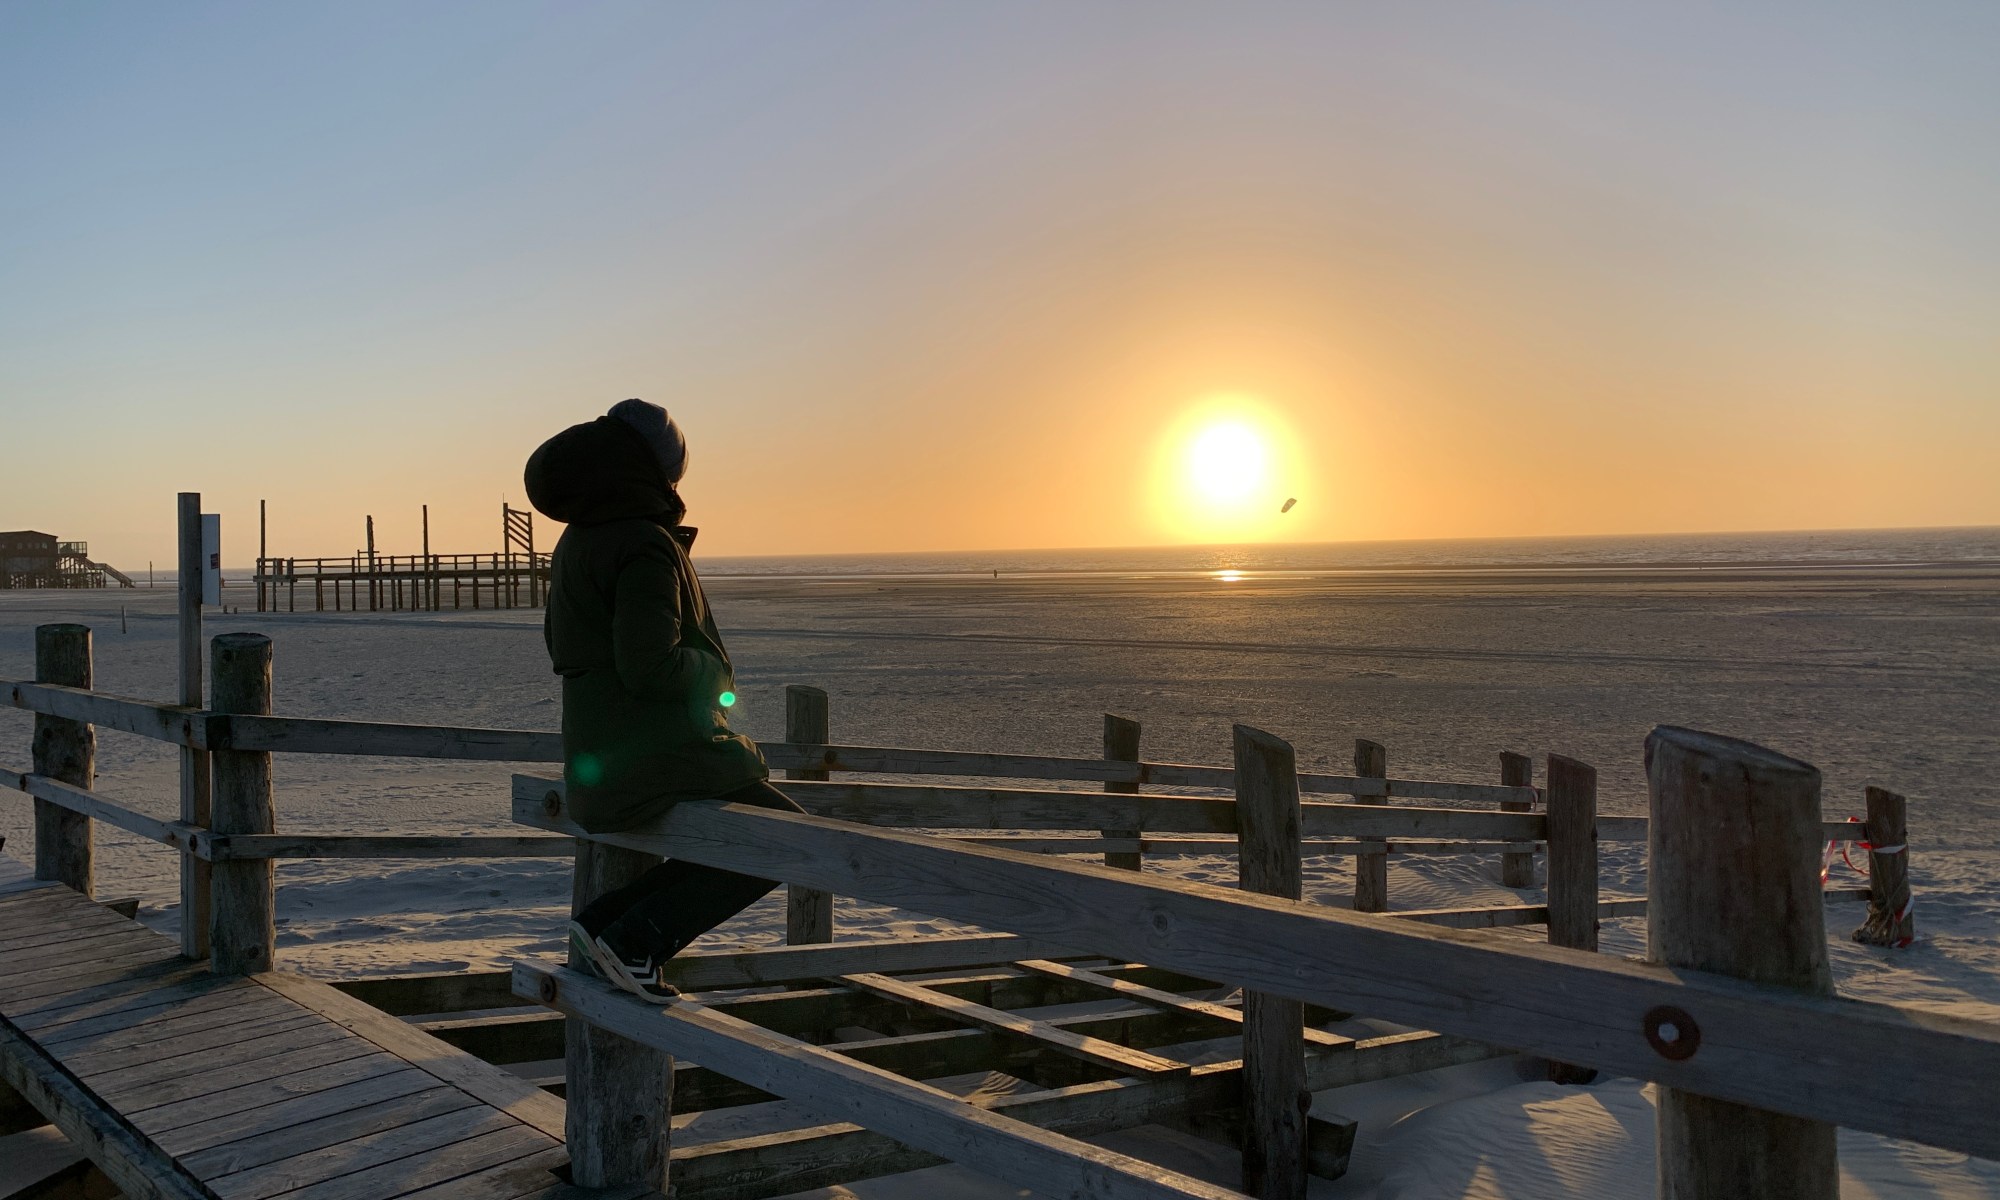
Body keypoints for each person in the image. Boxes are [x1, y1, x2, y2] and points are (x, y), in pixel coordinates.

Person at [524, 399, 805, 1002]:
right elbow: (650, 666)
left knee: (749, 839)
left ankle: (601, 928)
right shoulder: (645, 543)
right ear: (654, 468)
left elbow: (563, 645)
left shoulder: (578, 540)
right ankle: (636, 942)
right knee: (789, 837)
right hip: (657, 748)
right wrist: (710, 667)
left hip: (598, 749)